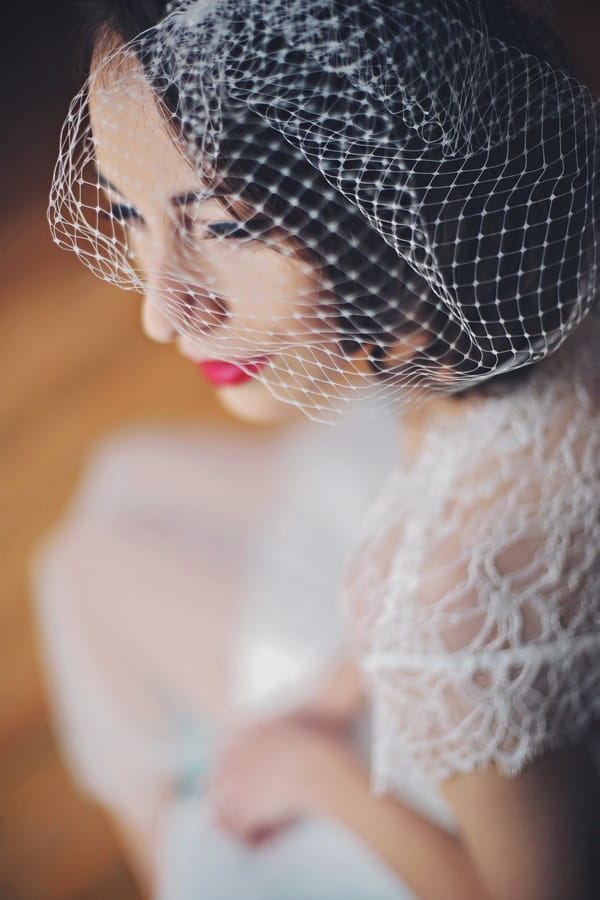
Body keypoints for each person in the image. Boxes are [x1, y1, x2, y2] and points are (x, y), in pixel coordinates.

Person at [35, 1, 600, 898]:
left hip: (428, 784)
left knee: (83, 572)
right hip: (434, 594)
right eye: (128, 213)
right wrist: (344, 685)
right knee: (125, 475)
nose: (159, 310)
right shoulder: (538, 265)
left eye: (224, 223)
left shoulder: (445, 603)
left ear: (384, 180)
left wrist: (320, 778)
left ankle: (171, 860)